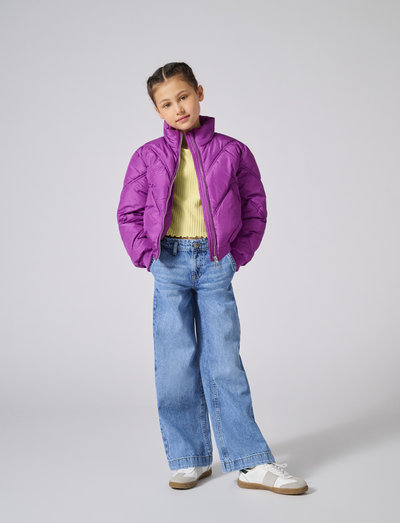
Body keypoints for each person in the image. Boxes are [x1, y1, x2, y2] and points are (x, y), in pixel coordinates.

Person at [116, 62, 308, 495]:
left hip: (215, 263)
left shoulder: (233, 151)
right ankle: (189, 457)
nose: (178, 108)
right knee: (174, 363)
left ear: (199, 92)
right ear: (158, 111)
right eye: (167, 104)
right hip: (169, 264)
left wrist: (238, 255)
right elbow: (129, 213)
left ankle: (250, 462)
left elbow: (255, 206)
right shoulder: (147, 156)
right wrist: (148, 259)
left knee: (224, 362)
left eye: (183, 96)